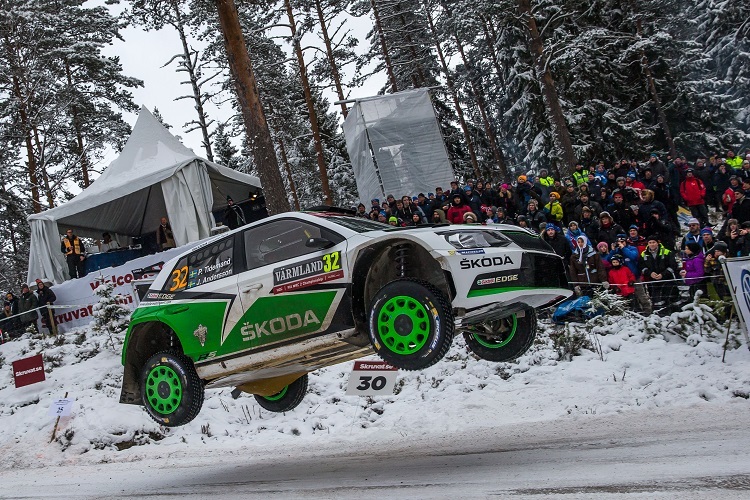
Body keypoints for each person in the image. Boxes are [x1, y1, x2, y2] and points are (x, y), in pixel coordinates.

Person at [640, 235, 678, 307]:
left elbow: (673, 266)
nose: (652, 244)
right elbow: (642, 267)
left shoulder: (667, 252)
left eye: (653, 242)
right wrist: (650, 273)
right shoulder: (643, 254)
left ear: (658, 243)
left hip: (667, 280)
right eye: (650, 242)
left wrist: (663, 274)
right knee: (656, 301)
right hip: (653, 281)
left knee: (669, 298)